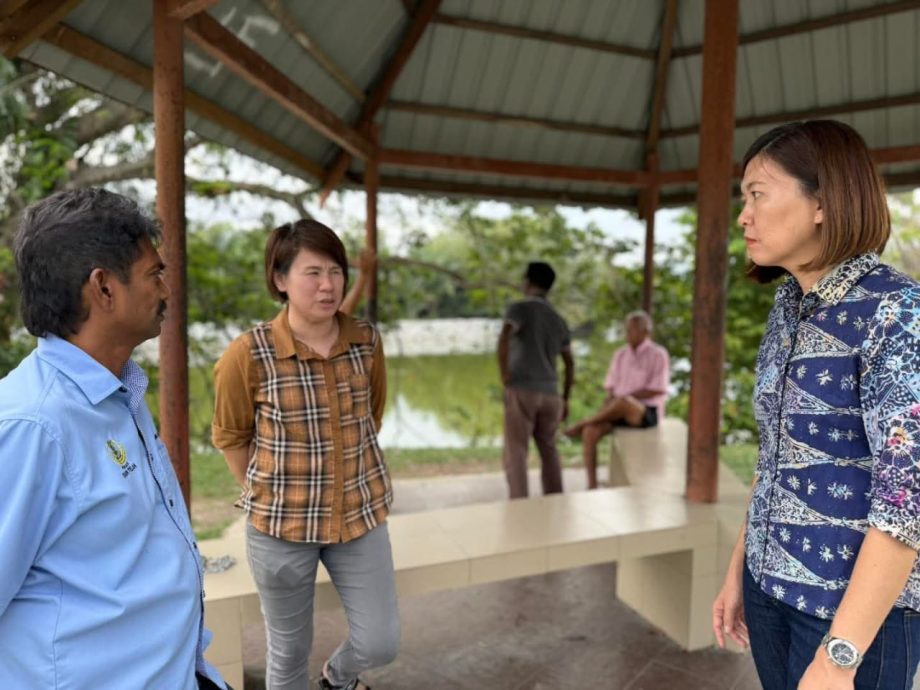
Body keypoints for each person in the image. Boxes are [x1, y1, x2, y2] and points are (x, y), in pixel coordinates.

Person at [712, 120, 920, 690]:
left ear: (823, 202)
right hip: (767, 591)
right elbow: (773, 455)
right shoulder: (787, 307)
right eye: (743, 199)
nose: (744, 215)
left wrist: (839, 658)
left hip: (850, 618)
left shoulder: (897, 314)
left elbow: (908, 503)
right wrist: (739, 573)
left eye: (758, 194)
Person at [0, 188, 227, 689]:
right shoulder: (32, 426)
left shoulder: (117, 388)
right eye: (154, 274)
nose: (167, 290)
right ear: (103, 288)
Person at [212, 219, 398, 690]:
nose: (328, 285)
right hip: (281, 529)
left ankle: (338, 677)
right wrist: (272, 492)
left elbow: (369, 419)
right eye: (313, 272)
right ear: (280, 279)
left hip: (359, 518)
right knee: (288, 652)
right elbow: (232, 437)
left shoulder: (365, 343)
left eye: (336, 271)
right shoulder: (248, 353)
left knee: (381, 641)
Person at [563, 310, 669, 489]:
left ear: (645, 332)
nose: (628, 334)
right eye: (627, 329)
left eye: (632, 329)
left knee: (624, 401)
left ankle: (580, 423)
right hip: (618, 409)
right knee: (590, 431)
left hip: (645, 413)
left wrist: (625, 398)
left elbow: (657, 389)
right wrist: (608, 405)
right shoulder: (620, 355)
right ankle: (592, 485)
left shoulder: (658, 354)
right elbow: (611, 390)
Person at [497, 261, 574, 499]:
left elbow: (504, 338)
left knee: (517, 450)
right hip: (551, 393)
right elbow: (570, 362)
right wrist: (565, 397)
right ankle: (555, 498)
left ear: (527, 282)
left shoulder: (519, 309)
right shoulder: (558, 318)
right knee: (548, 448)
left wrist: (504, 374)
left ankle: (519, 504)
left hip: (523, 388)